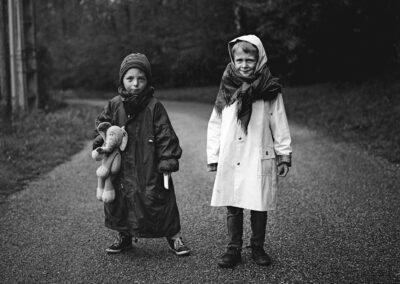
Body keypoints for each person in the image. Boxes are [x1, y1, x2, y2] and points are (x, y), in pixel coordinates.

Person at [207, 35, 292, 268]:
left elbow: (279, 122)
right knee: (233, 204)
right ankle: (233, 249)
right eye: (239, 59)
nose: (244, 65)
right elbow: (215, 122)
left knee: (258, 203)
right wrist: (214, 155)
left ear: (260, 59)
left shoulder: (269, 89)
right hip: (232, 156)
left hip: (257, 155)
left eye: (250, 60)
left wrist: (283, 154)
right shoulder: (227, 87)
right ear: (232, 60)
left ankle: (257, 246)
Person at [93, 53, 190, 256]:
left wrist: (167, 160)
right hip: (121, 164)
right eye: (130, 79)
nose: (135, 84)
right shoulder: (114, 104)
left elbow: (166, 135)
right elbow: (103, 127)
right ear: (122, 80)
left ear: (148, 80)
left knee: (158, 198)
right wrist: (100, 144)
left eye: (141, 79)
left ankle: (174, 236)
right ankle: (124, 235)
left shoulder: (154, 106)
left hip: (149, 163)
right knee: (121, 198)